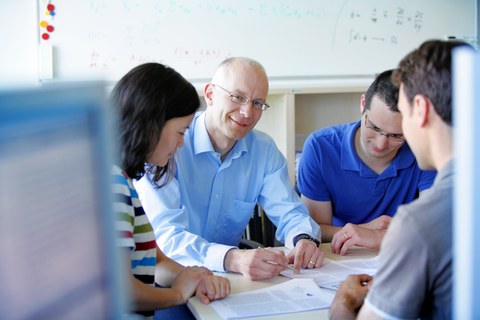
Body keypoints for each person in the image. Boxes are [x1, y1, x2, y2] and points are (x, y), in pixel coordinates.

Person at [134, 57, 324, 280]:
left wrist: (304, 239)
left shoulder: (263, 150)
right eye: (237, 97)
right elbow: (166, 236)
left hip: (228, 280)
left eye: (257, 103)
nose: (247, 112)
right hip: (171, 276)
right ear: (210, 94)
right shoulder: (169, 144)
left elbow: (290, 212)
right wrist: (231, 258)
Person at [329, 39, 470, 319]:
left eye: (403, 117)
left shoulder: (420, 222)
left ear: (421, 110)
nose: (385, 142)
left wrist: (343, 303)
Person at [110, 63, 230, 319]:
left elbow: (156, 261)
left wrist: (191, 277)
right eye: (180, 131)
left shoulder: (124, 180)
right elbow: (121, 290)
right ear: (151, 124)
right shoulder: (113, 185)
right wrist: (177, 294)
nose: (180, 143)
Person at [297, 69, 436, 255]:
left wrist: (381, 237)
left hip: (403, 255)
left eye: (396, 135)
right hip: (341, 258)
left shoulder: (424, 149)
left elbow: (436, 224)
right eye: (374, 127)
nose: (380, 143)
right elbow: (314, 231)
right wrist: (364, 230)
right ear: (363, 105)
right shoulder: (320, 148)